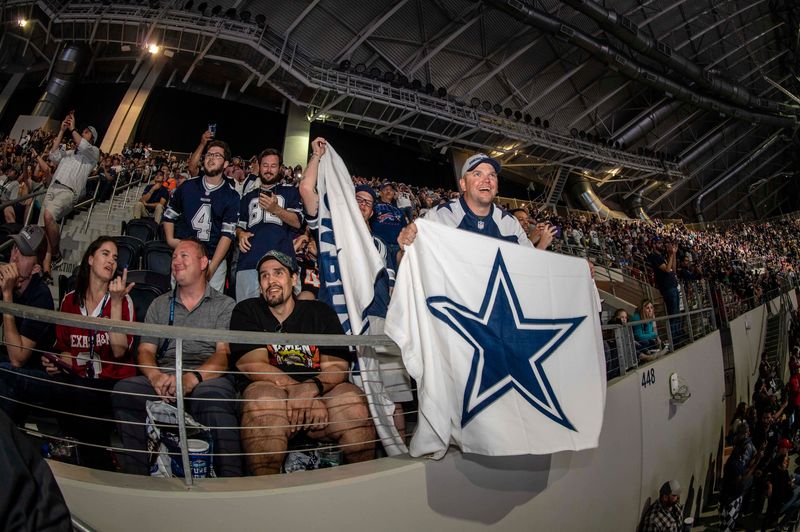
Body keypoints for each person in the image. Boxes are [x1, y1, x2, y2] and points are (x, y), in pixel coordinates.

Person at [230, 250, 375, 475]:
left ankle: (362, 486)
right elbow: (252, 365)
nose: (271, 280)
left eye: (278, 273)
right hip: (275, 394)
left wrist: (310, 390)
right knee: (264, 403)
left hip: (320, 394)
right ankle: (268, 491)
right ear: (259, 285)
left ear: (294, 279)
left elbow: (337, 366)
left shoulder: (319, 312)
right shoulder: (247, 310)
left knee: (352, 404)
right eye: (264, 276)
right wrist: (300, 392)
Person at [112, 238, 242, 476]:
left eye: (184, 256)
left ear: (203, 263)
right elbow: (146, 351)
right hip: (165, 375)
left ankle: (230, 480)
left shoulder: (225, 305)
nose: (176, 261)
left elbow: (223, 355)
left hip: (206, 377)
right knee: (126, 391)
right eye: (173, 257)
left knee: (212, 397)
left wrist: (191, 379)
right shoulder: (159, 304)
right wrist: (155, 377)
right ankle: (137, 478)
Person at [43, 236, 136, 468]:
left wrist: (116, 303)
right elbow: (65, 348)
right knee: (55, 385)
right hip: (79, 379)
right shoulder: (69, 301)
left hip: (111, 381)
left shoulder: (123, 301)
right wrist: (56, 361)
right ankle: (74, 450)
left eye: (115, 257)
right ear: (90, 259)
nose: (111, 261)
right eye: (105, 254)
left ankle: (100, 462)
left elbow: (119, 350)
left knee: (83, 392)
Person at [397, 153, 544, 250]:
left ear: (497, 186)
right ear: (463, 185)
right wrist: (405, 246)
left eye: (492, 175)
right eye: (477, 174)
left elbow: (528, 265)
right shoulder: (439, 217)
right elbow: (409, 263)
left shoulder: (510, 224)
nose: (487, 180)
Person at [163, 138, 240, 292]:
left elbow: (227, 235)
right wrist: (170, 240)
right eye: (209, 154)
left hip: (212, 258)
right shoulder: (188, 186)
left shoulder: (231, 195)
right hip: (185, 256)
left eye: (217, 155)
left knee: (211, 305)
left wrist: (212, 267)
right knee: (178, 301)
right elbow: (169, 214)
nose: (211, 158)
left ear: (226, 163)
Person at [235, 148, 303, 302]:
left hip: (283, 262)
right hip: (249, 262)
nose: (269, 170)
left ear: (280, 168)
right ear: (259, 167)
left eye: (273, 166)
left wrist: (276, 209)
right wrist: (240, 234)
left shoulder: (290, 191)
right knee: (247, 312)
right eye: (265, 165)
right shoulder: (248, 196)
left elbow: (297, 222)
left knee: (284, 312)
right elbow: (239, 226)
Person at [42, 111, 100, 273]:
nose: (83, 132)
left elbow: (83, 144)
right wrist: (61, 131)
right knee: (45, 228)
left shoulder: (93, 152)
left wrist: (72, 129)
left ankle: (56, 253)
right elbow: (52, 156)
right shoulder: (69, 152)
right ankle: (46, 268)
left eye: (87, 132)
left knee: (48, 216)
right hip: (52, 188)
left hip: (68, 191)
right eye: (83, 131)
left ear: (92, 139)